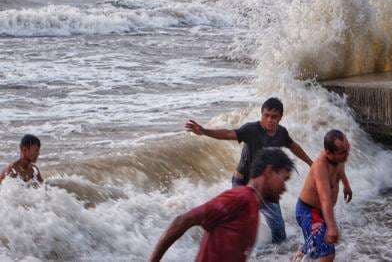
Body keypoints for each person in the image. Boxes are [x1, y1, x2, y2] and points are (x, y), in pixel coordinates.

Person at [186, 97, 351, 243]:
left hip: (267, 189)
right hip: (243, 184)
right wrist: (204, 131)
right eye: (266, 115)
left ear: (280, 117)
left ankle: (273, 257)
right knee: (239, 227)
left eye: (274, 117)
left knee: (279, 231)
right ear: (262, 115)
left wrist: (310, 163)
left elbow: (294, 146)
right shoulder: (251, 129)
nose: (270, 120)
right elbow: (229, 133)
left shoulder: (281, 133)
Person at [149, 148, 295, 262]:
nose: (284, 188)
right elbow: (182, 220)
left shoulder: (252, 204)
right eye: (284, 179)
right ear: (269, 172)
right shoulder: (239, 197)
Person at [295, 129, 352, 261]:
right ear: (328, 153)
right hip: (309, 211)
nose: (346, 155)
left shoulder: (339, 156)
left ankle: (300, 255)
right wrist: (332, 227)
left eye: (347, 149)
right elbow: (325, 198)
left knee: (316, 246)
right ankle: (304, 253)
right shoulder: (320, 166)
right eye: (343, 152)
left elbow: (340, 169)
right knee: (328, 253)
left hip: (321, 213)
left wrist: (346, 185)